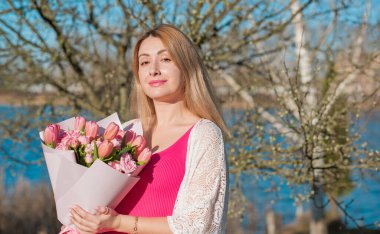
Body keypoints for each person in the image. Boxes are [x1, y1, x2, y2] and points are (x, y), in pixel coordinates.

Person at [69, 24, 229, 234]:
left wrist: (117, 223)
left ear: (187, 66)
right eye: (144, 62)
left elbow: (196, 224)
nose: (153, 69)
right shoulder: (126, 132)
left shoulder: (204, 134)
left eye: (165, 59)